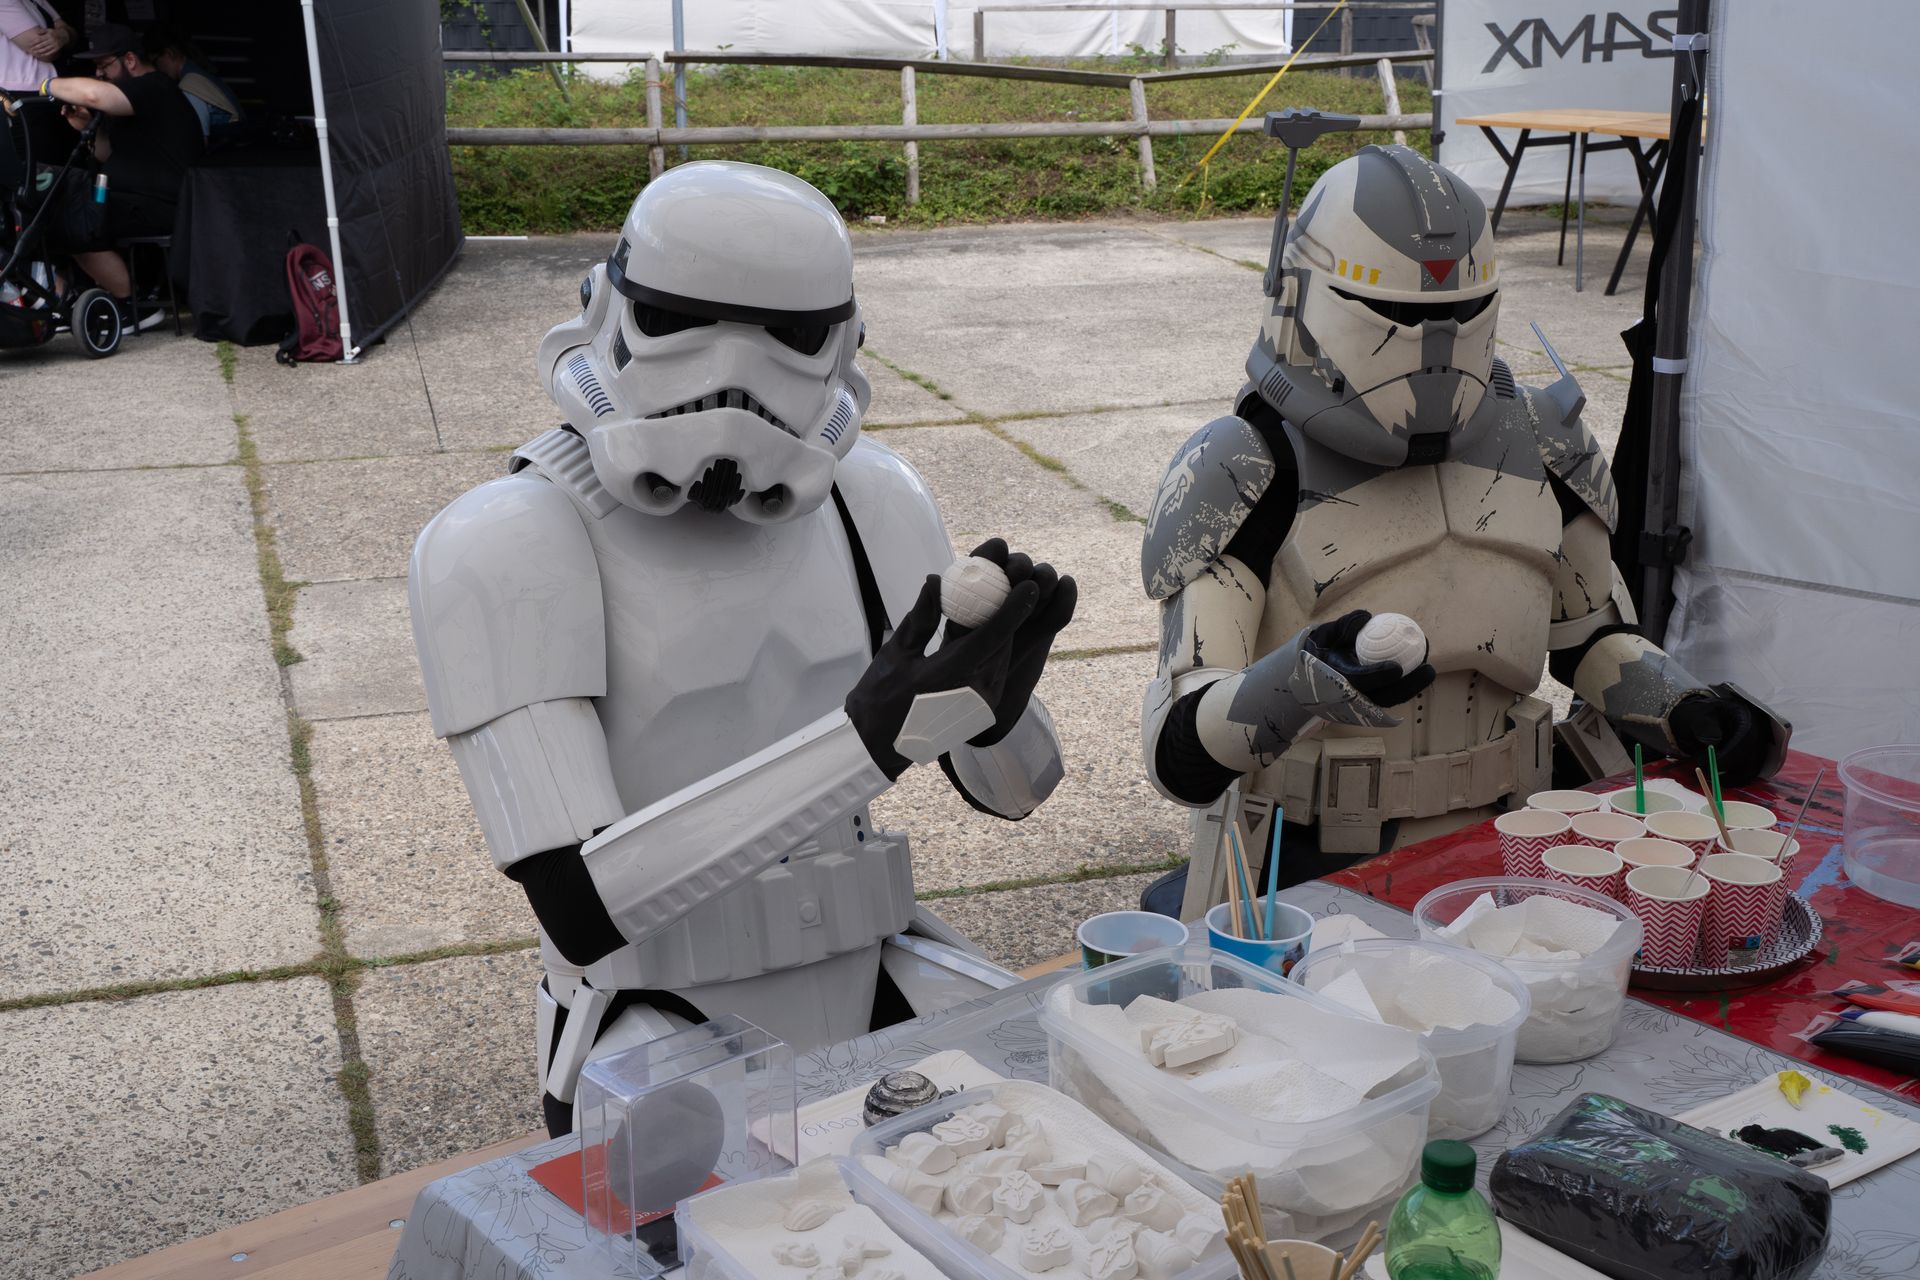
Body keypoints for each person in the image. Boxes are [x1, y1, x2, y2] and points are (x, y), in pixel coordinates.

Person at [410, 161, 1078, 1137]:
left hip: (875, 967)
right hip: (654, 1018)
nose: (732, 376)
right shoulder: (507, 541)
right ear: (606, 312)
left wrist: (995, 709)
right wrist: (868, 742)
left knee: (1064, 1122)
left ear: (843, 343)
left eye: (789, 338)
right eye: (677, 322)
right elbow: (579, 902)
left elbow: (1016, 792)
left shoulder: (873, 498)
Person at [1136, 143, 1788, 915]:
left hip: (1516, 837)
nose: (1434, 345)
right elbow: (1180, 748)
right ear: (1308, 297)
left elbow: (1590, 639)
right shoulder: (1244, 466)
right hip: (1310, 861)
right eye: (1400, 315)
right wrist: (1297, 682)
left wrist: (1685, 710)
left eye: (1459, 313)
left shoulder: (1543, 438)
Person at [35, 22, 200, 328]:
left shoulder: (154, 86)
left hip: (161, 204)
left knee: (73, 214)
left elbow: (95, 95)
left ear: (130, 60)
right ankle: (71, 298)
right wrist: (86, 127)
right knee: (53, 206)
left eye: (103, 65)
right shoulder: (132, 102)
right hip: (132, 199)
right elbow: (108, 154)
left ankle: (131, 304)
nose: (99, 74)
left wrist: (45, 84)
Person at [145, 29, 240, 143]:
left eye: (155, 62)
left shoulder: (190, 84)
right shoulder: (200, 71)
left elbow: (200, 139)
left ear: (169, 53)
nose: (156, 69)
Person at [0, 0, 72, 91]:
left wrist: (64, 35)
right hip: (21, 87)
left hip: (49, 82)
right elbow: (45, 52)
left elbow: (67, 29)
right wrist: (64, 36)